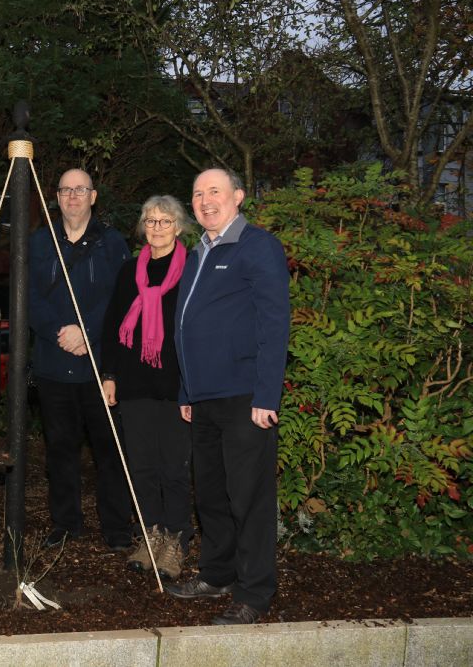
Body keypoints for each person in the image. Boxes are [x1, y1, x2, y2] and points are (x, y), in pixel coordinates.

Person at [166, 168, 290, 625]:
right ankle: (216, 575)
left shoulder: (258, 247)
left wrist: (266, 394)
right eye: (197, 193)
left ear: (238, 196)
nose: (204, 200)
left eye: (214, 191)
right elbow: (186, 325)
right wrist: (186, 389)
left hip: (244, 397)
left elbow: (274, 325)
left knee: (249, 498)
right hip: (203, 397)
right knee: (213, 495)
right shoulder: (199, 252)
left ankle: (254, 594)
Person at [28, 168, 133, 551]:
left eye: (81, 189)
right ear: (56, 197)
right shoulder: (39, 243)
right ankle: (66, 523)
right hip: (54, 364)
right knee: (59, 451)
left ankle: (117, 528)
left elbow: (122, 300)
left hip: (99, 368)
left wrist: (86, 334)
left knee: (110, 451)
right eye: (66, 190)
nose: (73, 196)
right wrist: (61, 331)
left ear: (93, 196)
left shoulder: (112, 244)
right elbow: (29, 298)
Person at [101, 195, 193, 579]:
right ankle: (150, 536)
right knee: (141, 467)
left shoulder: (192, 269)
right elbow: (111, 326)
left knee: (173, 468)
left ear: (180, 226)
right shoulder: (128, 271)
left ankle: (175, 543)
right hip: (135, 383)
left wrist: (195, 386)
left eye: (165, 221)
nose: (156, 228)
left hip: (176, 384)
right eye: (150, 221)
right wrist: (109, 375)